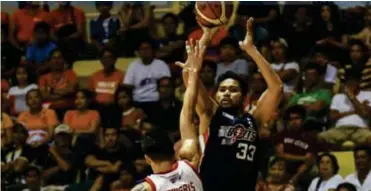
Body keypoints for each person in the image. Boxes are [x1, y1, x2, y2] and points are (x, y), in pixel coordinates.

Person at [177, 17, 283, 190]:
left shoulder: (254, 119)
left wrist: (251, 50)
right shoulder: (211, 114)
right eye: (222, 89)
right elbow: (190, 76)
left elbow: (276, 88)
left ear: (243, 96)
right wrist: (206, 36)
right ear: (216, 95)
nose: (226, 92)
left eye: (233, 90)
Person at [131, 39, 205, 191]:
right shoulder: (191, 162)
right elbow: (188, 114)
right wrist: (193, 76)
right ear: (173, 152)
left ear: (147, 159)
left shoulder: (145, 188)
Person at [318, 74, 371, 146]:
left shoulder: (368, 94)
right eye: (347, 82)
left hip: (360, 129)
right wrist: (354, 111)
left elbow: (365, 114)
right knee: (320, 137)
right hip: (340, 129)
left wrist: (352, 97)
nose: (349, 84)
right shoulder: (338, 96)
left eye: (352, 81)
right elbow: (333, 116)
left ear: (358, 82)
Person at [123, 39, 171, 114]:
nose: (145, 51)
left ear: (153, 50)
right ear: (138, 52)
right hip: (137, 102)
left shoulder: (161, 65)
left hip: (156, 101)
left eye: (147, 49)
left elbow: (167, 85)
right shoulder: (133, 65)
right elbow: (127, 85)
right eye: (142, 49)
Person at [274, 105, 316, 186]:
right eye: (291, 119)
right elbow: (281, 155)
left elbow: (309, 160)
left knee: (308, 171)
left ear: (303, 120)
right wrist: (302, 158)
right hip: (284, 168)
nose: (294, 121)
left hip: (301, 171)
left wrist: (295, 177)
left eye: (297, 118)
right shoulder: (282, 135)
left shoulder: (309, 137)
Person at [85, 125, 135, 191]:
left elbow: (114, 169)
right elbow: (88, 161)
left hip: (116, 179)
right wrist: (106, 163)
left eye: (113, 135)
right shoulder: (99, 151)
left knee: (102, 180)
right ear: (104, 137)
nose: (110, 138)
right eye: (107, 135)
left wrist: (97, 167)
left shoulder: (123, 151)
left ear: (118, 136)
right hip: (97, 180)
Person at [38, 49, 78, 120]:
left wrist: (51, 90)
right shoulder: (43, 77)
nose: (57, 61)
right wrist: (64, 94)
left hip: (68, 109)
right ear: (49, 61)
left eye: (59, 58)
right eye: (54, 58)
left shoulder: (71, 74)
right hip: (49, 110)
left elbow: (71, 91)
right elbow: (44, 96)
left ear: (63, 60)